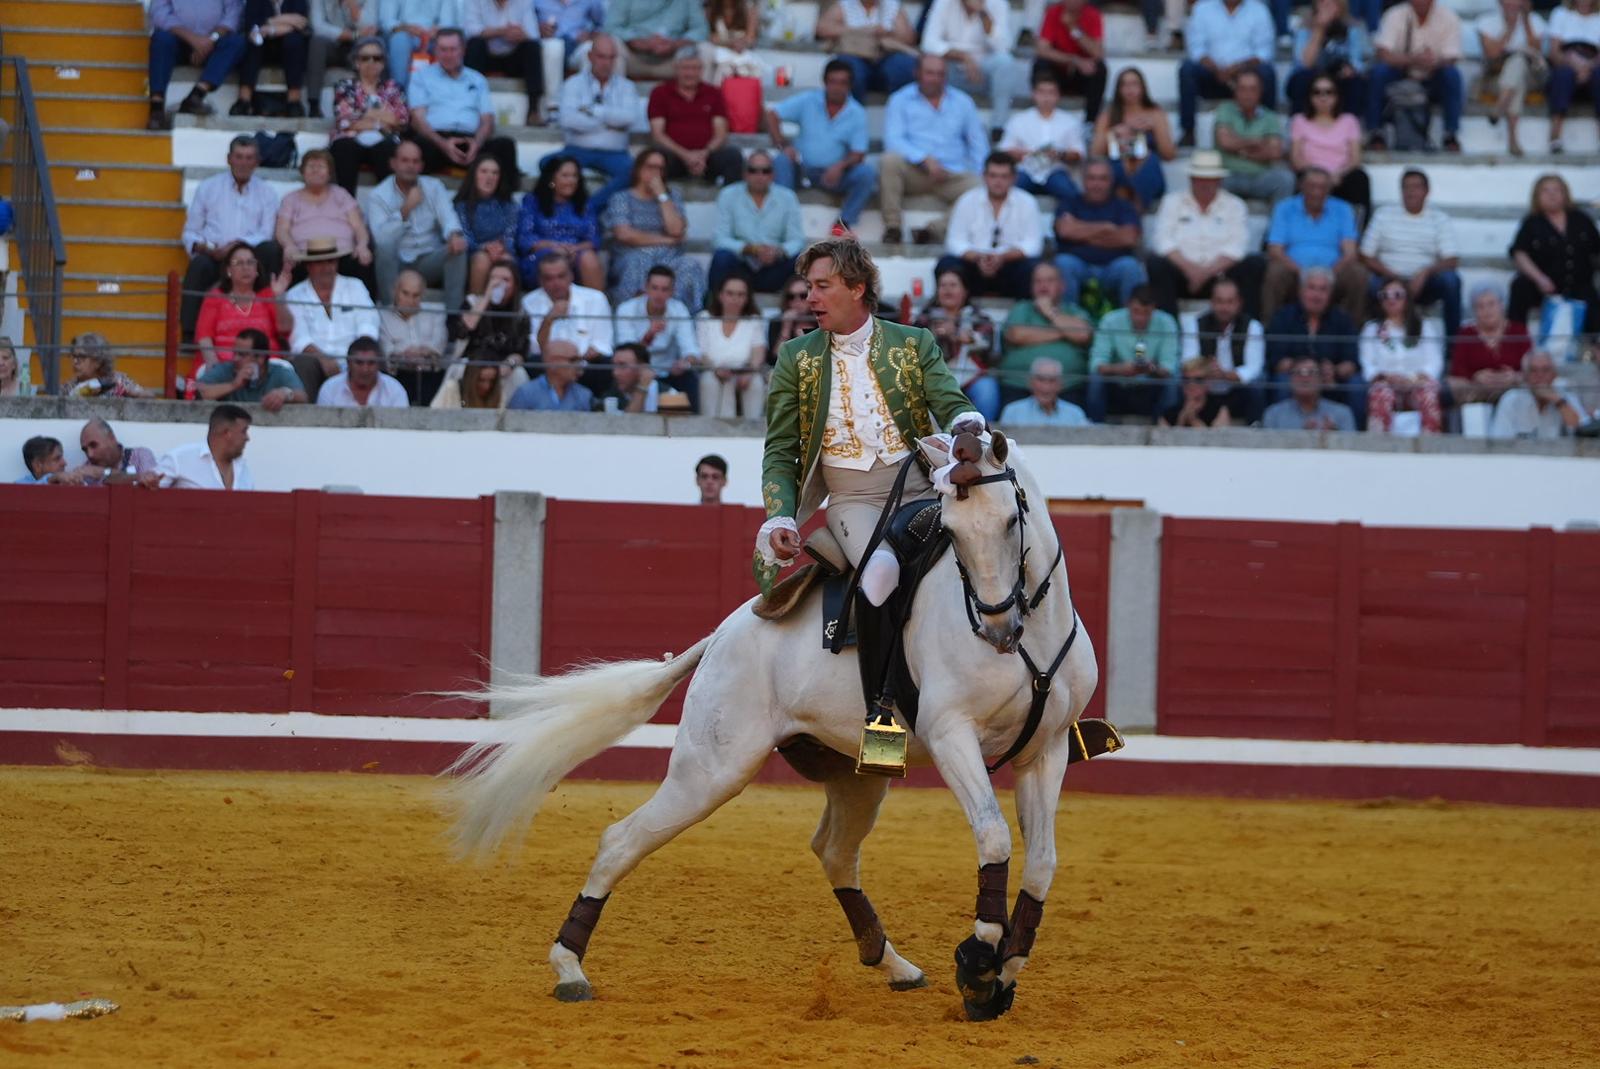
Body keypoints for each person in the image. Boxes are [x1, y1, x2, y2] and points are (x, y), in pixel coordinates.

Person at [755, 237, 984, 602]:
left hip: (924, 488)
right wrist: (780, 515)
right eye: (810, 287)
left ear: (857, 288)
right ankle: (877, 663)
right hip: (854, 499)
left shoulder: (913, 343)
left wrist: (964, 427)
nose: (810, 298)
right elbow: (781, 448)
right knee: (881, 574)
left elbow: (951, 402)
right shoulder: (795, 358)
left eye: (822, 287)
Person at [878, 54, 988, 246]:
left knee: (983, 187)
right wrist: (923, 159)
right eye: (930, 73)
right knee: (888, 161)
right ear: (917, 73)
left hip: (952, 174)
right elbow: (893, 140)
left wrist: (980, 172)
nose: (935, 79)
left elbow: (978, 143)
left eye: (940, 74)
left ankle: (932, 231)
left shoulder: (963, 102)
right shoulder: (900, 100)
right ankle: (893, 227)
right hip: (915, 171)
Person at [180, 136, 282, 337]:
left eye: (249, 158)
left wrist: (238, 246)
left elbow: (266, 232)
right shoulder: (208, 187)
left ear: (257, 161)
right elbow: (190, 232)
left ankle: (272, 324)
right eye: (239, 157)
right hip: (216, 257)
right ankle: (191, 334)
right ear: (229, 159)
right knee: (199, 264)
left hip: (252, 259)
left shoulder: (267, 192)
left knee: (271, 250)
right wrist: (207, 248)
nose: (243, 163)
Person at [1145, 150, 1264, 320]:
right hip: (1181, 274)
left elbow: (1238, 246)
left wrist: (1205, 273)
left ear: (1219, 180)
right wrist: (1191, 270)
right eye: (1200, 178)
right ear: (1191, 179)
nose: (1205, 184)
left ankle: (1247, 331)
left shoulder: (1235, 205)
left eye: (1210, 179)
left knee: (1254, 264)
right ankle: (1169, 330)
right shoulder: (1172, 202)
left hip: (1221, 275)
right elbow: (1163, 241)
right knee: (1156, 264)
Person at [766, 60, 877, 232]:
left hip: (833, 175)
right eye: (833, 82)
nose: (837, 87)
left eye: (842, 83)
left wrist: (840, 166)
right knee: (781, 161)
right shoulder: (808, 100)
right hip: (802, 169)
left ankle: (843, 224)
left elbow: (859, 154)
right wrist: (783, 145)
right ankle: (782, 219)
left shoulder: (857, 113)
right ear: (825, 82)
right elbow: (773, 114)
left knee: (867, 173)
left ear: (850, 85)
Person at [1360, 169, 1461, 354]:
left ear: (1427, 191)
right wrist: (1392, 277)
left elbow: (1452, 260)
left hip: (1424, 283)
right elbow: (1365, 256)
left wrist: (1425, 272)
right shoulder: (1383, 215)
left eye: (1416, 187)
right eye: (1406, 187)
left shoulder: (1439, 219)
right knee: (1368, 283)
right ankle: (1372, 347)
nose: (1411, 192)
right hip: (1388, 279)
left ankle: (1453, 350)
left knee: (1451, 280)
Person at [369, 137, 469, 317]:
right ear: (393, 163)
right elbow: (381, 239)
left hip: (427, 260)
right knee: (383, 249)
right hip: (396, 263)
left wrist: (454, 235)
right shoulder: (378, 195)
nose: (410, 166)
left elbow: (448, 218)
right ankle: (389, 314)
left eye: (415, 161)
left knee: (458, 247)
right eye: (405, 160)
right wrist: (406, 209)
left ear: (421, 166)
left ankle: (453, 319)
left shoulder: (434, 187)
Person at [409, 27, 520, 180]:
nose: (448, 55)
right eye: (443, 49)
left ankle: (504, 202)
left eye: (453, 49)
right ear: (435, 50)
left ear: (463, 50)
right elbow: (417, 120)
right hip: (436, 141)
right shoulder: (421, 77)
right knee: (415, 147)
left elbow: (487, 120)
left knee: (505, 146)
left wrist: (477, 143)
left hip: (471, 142)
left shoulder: (477, 79)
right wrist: (443, 144)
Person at [604, 148, 707, 310]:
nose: (655, 173)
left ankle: (682, 318)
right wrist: (667, 241)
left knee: (690, 265)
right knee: (640, 259)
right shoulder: (621, 198)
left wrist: (662, 196)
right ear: (638, 169)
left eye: (660, 168)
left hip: (668, 258)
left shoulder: (672, 197)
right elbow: (624, 234)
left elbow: (676, 230)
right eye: (650, 167)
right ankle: (632, 316)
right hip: (631, 257)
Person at [1262, 167, 1367, 323]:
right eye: (1312, 186)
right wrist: (1302, 273)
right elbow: (1275, 250)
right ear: (1301, 187)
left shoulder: (1343, 209)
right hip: (1294, 271)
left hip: (1333, 272)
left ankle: (1351, 333)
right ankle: (1271, 330)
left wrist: (1329, 274)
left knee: (1358, 274)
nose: (1317, 192)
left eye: (1322, 187)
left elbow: (1350, 252)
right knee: (1275, 272)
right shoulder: (1285, 208)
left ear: (1330, 189)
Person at [285, 236, 382, 398]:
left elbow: (368, 325)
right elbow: (299, 338)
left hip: (354, 357)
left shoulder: (355, 286)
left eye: (331, 262)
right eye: (320, 263)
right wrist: (323, 359)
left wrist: (355, 359)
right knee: (303, 362)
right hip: (315, 360)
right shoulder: (295, 294)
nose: (326, 268)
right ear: (309, 266)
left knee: (372, 358)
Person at [938, 153, 1044, 301]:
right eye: (993, 176)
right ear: (984, 176)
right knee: (947, 264)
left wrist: (1002, 257)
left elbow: (1033, 245)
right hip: (974, 266)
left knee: (1032, 268)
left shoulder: (1027, 202)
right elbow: (954, 241)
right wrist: (978, 257)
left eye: (1004, 176)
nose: (998, 182)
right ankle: (958, 315)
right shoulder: (967, 200)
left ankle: (1021, 317)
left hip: (1009, 267)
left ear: (1014, 178)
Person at [1365, 0, 1465, 153]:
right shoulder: (1395, 14)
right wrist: (1413, 59)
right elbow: (1383, 53)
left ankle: (1450, 133)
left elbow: (1451, 57)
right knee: (1378, 73)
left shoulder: (1449, 17)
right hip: (1400, 73)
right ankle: (1376, 132)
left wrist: (1433, 62)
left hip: (1433, 75)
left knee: (1452, 75)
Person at [552, 34, 640, 208]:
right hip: (577, 150)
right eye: (601, 56)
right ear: (590, 56)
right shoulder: (573, 84)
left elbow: (630, 118)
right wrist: (609, 122)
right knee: (547, 165)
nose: (606, 62)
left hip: (615, 152)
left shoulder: (627, 87)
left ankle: (587, 209)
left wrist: (592, 111)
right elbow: (568, 120)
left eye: (611, 57)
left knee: (634, 173)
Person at [1264, 265, 1364, 415]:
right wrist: (1309, 372)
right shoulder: (1283, 317)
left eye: (1323, 290)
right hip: (1295, 378)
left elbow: (1351, 362)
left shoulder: (1343, 319)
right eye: (1311, 288)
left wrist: (1334, 370)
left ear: (1330, 294)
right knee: (1280, 381)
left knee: (1356, 384)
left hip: (1331, 380)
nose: (1316, 295)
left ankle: (1356, 435)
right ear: (1301, 291)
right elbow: (1277, 361)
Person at [1508, 173, 1600, 336]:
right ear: (1537, 196)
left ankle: (1595, 348)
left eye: (1557, 190)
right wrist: (1539, 278)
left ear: (1565, 194)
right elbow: (1519, 252)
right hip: (1544, 287)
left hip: (1579, 285)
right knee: (1519, 286)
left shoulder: (1582, 220)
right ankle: (1516, 342)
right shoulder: (1532, 222)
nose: (1551, 194)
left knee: (1591, 301)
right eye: (1545, 190)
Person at [1178, 0, 1278, 147]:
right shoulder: (1202, 8)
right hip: (1211, 74)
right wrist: (1216, 69)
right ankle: (1188, 132)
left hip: (1245, 74)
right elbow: (1196, 48)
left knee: (1267, 73)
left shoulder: (1259, 10)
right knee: (1187, 69)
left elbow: (1264, 52)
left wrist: (1237, 69)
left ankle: (1270, 131)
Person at [274, 148, 376, 292]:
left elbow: (358, 226)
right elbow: (282, 229)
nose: (315, 170)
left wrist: (362, 245)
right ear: (302, 171)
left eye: (321, 167)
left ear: (329, 173)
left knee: (364, 258)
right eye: (311, 166)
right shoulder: (291, 199)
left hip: (342, 254)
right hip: (304, 255)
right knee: (287, 262)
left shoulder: (341, 195)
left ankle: (366, 308)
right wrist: (289, 245)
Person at [919, 0, 1029, 133]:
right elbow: (928, 42)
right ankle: (934, 121)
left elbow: (1003, 47)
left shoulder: (998, 3)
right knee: (931, 64)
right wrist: (964, 57)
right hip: (951, 63)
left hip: (983, 66)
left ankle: (998, 127)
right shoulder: (944, 2)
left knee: (1005, 63)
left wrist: (984, 14)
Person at [999, 260, 1093, 409]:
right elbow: (1016, 335)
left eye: (1049, 280)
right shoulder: (1021, 308)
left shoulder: (1075, 311)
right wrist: (1064, 332)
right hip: (1018, 384)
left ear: (1062, 286)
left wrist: (1049, 312)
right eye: (1038, 281)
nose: (1043, 286)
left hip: (1068, 387)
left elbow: (1082, 335)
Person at [1054, 158, 1146, 308]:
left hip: (1114, 267)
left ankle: (1129, 326)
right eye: (1092, 178)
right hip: (1078, 265)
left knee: (1130, 267)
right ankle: (1067, 321)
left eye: (1103, 179)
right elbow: (1065, 231)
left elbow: (1129, 238)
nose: (1097, 184)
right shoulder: (1069, 202)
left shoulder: (1124, 206)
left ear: (1111, 181)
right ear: (1083, 180)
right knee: (1063, 263)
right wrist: (1105, 228)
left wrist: (1081, 232)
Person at [710, 152, 806, 295]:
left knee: (801, 260)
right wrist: (751, 249)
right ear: (744, 173)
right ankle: (714, 309)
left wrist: (778, 251)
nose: (759, 175)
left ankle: (797, 309)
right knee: (722, 257)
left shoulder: (787, 197)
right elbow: (719, 239)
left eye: (765, 171)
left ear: (773, 174)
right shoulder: (728, 195)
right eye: (753, 170)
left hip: (775, 266)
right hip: (741, 268)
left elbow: (797, 239)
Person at [194, 240, 294, 373]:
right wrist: (213, 365)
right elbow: (204, 336)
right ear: (229, 270)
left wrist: (278, 298)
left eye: (250, 262)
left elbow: (285, 328)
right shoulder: (215, 296)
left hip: (265, 366)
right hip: (225, 365)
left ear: (257, 270)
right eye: (239, 263)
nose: (245, 267)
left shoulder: (268, 295)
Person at [647, 50, 743, 187]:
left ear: (702, 70)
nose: (690, 73)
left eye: (695, 68)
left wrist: (703, 154)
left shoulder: (713, 93)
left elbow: (721, 133)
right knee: (655, 157)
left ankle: (731, 204)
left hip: (707, 157)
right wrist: (686, 156)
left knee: (733, 156)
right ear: (676, 68)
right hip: (674, 157)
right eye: (685, 68)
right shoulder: (660, 93)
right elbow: (657, 135)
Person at [147, 0, 247, 129]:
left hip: (214, 41)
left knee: (237, 43)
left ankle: (197, 95)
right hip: (180, 40)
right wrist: (194, 40)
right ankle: (156, 108)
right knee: (161, 39)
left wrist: (210, 40)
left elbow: (234, 14)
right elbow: (159, 14)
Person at [915, 266, 999, 419]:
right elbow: (916, 351)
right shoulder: (924, 319)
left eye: (953, 285)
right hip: (935, 378)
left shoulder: (979, 318)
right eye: (943, 286)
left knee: (987, 389)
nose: (948, 290)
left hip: (971, 376)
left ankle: (987, 438)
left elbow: (990, 349)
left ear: (965, 291)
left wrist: (961, 336)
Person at [1085, 285, 1180, 421]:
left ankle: (1164, 425)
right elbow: (1096, 363)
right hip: (1118, 385)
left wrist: (1150, 368)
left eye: (1146, 312)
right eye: (1136, 311)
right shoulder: (1110, 321)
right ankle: (1095, 424)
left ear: (1154, 308)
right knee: (1095, 378)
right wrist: (1120, 368)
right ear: (1128, 305)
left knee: (1173, 380)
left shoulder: (1167, 322)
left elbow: (1169, 367)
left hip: (1150, 385)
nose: (1140, 318)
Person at [1360, 281, 1444, 433]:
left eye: (1397, 295)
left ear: (1407, 299)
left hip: (1418, 381)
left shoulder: (1424, 327)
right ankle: (1378, 447)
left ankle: (1431, 445)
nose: (1391, 299)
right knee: (1380, 394)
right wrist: (1387, 377)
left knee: (1428, 394)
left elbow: (1434, 362)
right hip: (1386, 381)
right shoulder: (1371, 329)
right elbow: (1367, 363)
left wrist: (1412, 379)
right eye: (1385, 295)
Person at [614, 265, 702, 408]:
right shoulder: (627, 309)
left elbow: (691, 350)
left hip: (669, 373)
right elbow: (625, 354)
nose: (659, 294)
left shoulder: (679, 310)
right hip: (636, 372)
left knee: (690, 378)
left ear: (672, 292)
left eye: (664, 289)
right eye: (654, 288)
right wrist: (649, 336)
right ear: (646, 288)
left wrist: (685, 362)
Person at [329, 35, 408, 192]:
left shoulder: (393, 88)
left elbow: (400, 120)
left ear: (383, 63)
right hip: (350, 141)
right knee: (344, 147)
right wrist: (381, 121)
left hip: (383, 143)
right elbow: (344, 121)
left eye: (377, 58)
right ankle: (347, 204)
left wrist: (361, 114)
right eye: (365, 58)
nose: (371, 62)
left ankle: (387, 207)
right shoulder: (345, 86)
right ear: (357, 62)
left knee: (388, 149)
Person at [1178, 276, 1264, 422]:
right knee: (1179, 382)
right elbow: (1188, 362)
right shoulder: (1195, 324)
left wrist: (1224, 374)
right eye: (1219, 301)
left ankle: (1255, 428)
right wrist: (1207, 371)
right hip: (1204, 388)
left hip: (1237, 390)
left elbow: (1253, 369)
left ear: (1239, 303)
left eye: (1230, 302)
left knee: (1258, 385)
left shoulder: (1252, 326)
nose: (1224, 307)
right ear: (1211, 302)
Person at [516, 155, 604, 292]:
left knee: (589, 258)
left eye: (575, 176)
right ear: (552, 178)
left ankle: (598, 309)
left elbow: (594, 239)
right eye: (565, 175)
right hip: (542, 254)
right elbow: (525, 239)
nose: (571, 181)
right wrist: (555, 247)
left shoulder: (584, 204)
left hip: (576, 254)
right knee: (555, 261)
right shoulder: (533, 201)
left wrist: (575, 248)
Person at [1090, 67, 1175, 210]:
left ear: (1142, 87)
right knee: (1116, 166)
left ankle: (1131, 213)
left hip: (1147, 172)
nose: (1130, 89)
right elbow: (1095, 153)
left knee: (1150, 159)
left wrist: (1155, 129)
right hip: (1118, 173)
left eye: (1134, 84)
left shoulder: (1155, 113)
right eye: (1125, 85)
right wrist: (1114, 132)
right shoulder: (1109, 115)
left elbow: (1169, 154)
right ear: (1118, 89)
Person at [1290, 71, 1370, 223]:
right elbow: (1296, 158)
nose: (1323, 97)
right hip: (1310, 174)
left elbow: (1355, 158)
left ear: (1337, 95)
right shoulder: (1299, 120)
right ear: (1309, 96)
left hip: (1341, 176)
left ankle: (1358, 230)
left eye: (1329, 92)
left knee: (1360, 178)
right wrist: (1319, 176)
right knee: (1298, 180)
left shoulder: (1349, 121)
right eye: (1317, 92)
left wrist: (1337, 174)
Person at [523, 249, 613, 374]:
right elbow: (535, 349)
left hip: (586, 367)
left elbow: (602, 344)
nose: (556, 283)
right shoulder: (529, 302)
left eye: (561, 276)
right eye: (549, 278)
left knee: (604, 364)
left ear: (571, 275)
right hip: (547, 368)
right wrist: (548, 320)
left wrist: (573, 363)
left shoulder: (596, 298)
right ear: (540, 280)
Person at [999, 77, 1084, 208]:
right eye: (1042, 92)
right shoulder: (1018, 120)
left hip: (1055, 170)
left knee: (1071, 194)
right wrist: (1027, 154)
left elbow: (1079, 154)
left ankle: (1067, 225)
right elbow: (1004, 151)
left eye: (1051, 92)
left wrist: (1059, 154)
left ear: (1058, 95)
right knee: (1006, 192)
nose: (1046, 97)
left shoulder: (1070, 122)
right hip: (1025, 169)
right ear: (1034, 94)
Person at [1213, 68, 1295, 204]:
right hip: (1229, 175)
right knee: (1209, 181)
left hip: (1260, 176)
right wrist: (1257, 142)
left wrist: (1240, 149)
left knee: (1285, 179)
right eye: (1242, 89)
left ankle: (1277, 224)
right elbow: (1226, 142)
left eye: (1252, 89)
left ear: (1260, 91)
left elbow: (1274, 152)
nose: (1247, 94)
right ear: (1235, 91)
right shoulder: (1225, 109)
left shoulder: (1270, 117)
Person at [1475, 0, 1546, 156]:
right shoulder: (1486, 21)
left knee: (1519, 62)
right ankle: (1513, 138)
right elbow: (1492, 54)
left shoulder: (1535, 20)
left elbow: (1537, 51)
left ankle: (1500, 107)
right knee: (1516, 73)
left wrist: (1525, 21)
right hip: (1496, 78)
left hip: (1532, 78)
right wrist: (1510, 28)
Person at [815, 0, 918, 104]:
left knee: (905, 66)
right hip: (855, 54)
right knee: (848, 67)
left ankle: (901, 111)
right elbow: (822, 29)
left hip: (886, 56)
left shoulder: (891, 5)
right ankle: (853, 113)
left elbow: (909, 38)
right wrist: (864, 31)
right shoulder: (845, 4)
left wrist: (888, 32)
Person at [695, 272, 767, 418]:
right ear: (720, 295)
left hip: (744, 369)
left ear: (747, 298)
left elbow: (758, 351)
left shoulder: (754, 319)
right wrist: (715, 369)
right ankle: (716, 432)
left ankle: (754, 432)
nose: (735, 299)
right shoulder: (704, 318)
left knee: (756, 382)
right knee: (709, 380)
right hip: (713, 370)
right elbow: (701, 353)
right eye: (730, 293)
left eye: (741, 294)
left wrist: (751, 371)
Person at [1449, 285, 1529, 406]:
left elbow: (1531, 365)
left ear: (1501, 305)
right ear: (1474, 311)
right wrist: (1475, 377)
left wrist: (1515, 377)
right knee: (1455, 385)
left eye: (1491, 304)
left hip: (1513, 388)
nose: (1487, 310)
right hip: (1477, 391)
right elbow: (1457, 370)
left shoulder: (1518, 330)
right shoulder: (1466, 333)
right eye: (1480, 306)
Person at [452, 258, 533, 378]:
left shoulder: (521, 314)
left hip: (502, 367)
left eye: (505, 280)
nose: (498, 283)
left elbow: (521, 352)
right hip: (471, 362)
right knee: (459, 369)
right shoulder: (472, 302)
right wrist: (487, 297)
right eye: (493, 278)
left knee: (519, 374)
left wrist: (509, 364)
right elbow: (463, 330)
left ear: (515, 285)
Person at [1287, 0, 1369, 117]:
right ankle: (1300, 126)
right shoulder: (1304, 28)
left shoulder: (1353, 28)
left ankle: (1350, 126)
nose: (1327, 7)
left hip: (1340, 78)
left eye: (1332, 3)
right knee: (1301, 78)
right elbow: (1304, 63)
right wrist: (1319, 29)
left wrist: (1350, 69)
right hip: (1312, 76)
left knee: (1355, 82)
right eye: (1323, 3)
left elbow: (1358, 63)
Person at [464, 0, 544, 118]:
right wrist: (501, 32)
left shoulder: (524, 2)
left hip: (514, 57)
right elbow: (470, 31)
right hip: (485, 57)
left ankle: (533, 110)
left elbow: (533, 35)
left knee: (532, 47)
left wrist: (520, 34)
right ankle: (470, 105)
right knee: (475, 44)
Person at [381, 268, 451, 402]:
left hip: (430, 376)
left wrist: (410, 353)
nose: (410, 300)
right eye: (405, 293)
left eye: (416, 295)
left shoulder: (436, 312)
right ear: (395, 291)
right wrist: (420, 352)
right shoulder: (382, 316)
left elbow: (438, 347)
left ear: (423, 294)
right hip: (398, 376)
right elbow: (387, 353)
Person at [1032, 0, 1108, 123]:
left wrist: (1074, 29)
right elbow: (1042, 50)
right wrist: (1073, 60)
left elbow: (1098, 53)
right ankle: (1040, 115)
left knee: (1099, 69)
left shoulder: (1093, 14)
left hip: (1082, 75)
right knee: (1040, 64)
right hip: (1059, 72)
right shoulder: (1053, 12)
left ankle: (1090, 123)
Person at [195, 328, 310, 408]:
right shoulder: (225, 369)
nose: (235, 359)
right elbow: (200, 391)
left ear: (260, 357)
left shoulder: (279, 371)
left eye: (242, 355)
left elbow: (303, 397)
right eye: (235, 353)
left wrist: (285, 393)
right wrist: (233, 385)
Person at [454, 153, 519, 296]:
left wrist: (500, 248)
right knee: (482, 260)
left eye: (495, 173)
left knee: (508, 261)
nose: (489, 177)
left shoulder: (510, 206)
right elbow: (464, 236)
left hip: (502, 251)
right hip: (472, 255)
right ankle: (474, 309)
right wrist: (484, 247)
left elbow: (511, 235)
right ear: (474, 175)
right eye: (484, 171)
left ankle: (508, 314)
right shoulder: (461, 206)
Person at [1490, 349, 1592, 437]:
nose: (1540, 375)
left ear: (1554, 374)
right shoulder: (1511, 399)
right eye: (1533, 370)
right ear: (1525, 376)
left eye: (1545, 370)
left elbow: (1583, 432)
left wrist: (1558, 402)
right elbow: (1500, 441)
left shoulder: (1566, 397)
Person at [236, 0, 311, 117]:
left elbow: (301, 23)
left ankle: (294, 101)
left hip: (288, 47)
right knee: (253, 43)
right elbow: (251, 24)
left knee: (294, 41)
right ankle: (243, 100)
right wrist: (286, 20)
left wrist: (271, 28)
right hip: (264, 49)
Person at [156, 404, 256, 491]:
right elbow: (148, 492)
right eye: (243, 431)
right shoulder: (179, 458)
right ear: (227, 433)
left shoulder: (241, 467)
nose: (247, 438)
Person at [1546, 0, 1600, 154]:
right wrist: (1574, 64)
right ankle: (1555, 135)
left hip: (1594, 67)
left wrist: (1588, 67)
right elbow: (1554, 52)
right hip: (1567, 63)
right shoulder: (1560, 13)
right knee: (1562, 75)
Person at [308, 0, 377, 119]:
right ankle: (313, 104)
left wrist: (353, 6)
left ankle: (370, 105)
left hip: (356, 46)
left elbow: (370, 27)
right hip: (331, 44)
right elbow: (318, 26)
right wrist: (352, 35)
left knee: (372, 48)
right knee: (316, 43)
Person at [605, 0, 707, 81]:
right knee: (609, 46)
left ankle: (701, 103)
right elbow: (610, 26)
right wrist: (637, 42)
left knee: (706, 50)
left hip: (673, 57)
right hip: (634, 54)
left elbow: (701, 30)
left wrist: (675, 44)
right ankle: (612, 98)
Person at [1261, 354, 1358, 430]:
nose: (1305, 379)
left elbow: (1353, 450)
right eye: (1298, 373)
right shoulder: (1274, 414)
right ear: (1290, 380)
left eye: (1311, 373)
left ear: (1321, 379)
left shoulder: (1342, 414)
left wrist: (1334, 437)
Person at [379, 0, 455, 89]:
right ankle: (399, 90)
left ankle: (443, 91)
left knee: (447, 42)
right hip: (404, 32)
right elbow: (387, 20)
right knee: (399, 40)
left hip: (433, 36)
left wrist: (437, 30)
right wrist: (406, 28)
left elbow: (448, 22)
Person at [318, 335, 411, 406]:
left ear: (379, 364)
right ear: (348, 363)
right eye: (359, 363)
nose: (365, 369)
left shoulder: (395, 390)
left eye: (371, 363)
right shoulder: (329, 389)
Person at [998, 357, 1091, 427]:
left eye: (1052, 380)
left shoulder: (1075, 414)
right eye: (1041, 379)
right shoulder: (1012, 412)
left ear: (1060, 385)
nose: (1046, 387)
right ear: (1031, 382)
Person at [509, 338, 595, 410]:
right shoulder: (526, 394)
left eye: (579, 360)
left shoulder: (584, 396)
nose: (578, 365)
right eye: (573, 360)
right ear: (553, 362)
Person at [62, 333, 156, 399]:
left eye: (81, 357)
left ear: (98, 361)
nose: (75, 361)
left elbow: (150, 396)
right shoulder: (70, 387)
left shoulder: (119, 380)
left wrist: (133, 394)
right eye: (74, 356)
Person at [73, 418, 162, 486]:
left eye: (94, 445)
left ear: (112, 438)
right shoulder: (85, 470)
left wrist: (104, 472)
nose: (90, 454)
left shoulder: (140, 455)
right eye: (85, 450)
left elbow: (151, 481)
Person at [1160, 358, 1235, 427]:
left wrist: (1192, 419)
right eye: (1186, 379)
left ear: (1208, 382)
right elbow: (1165, 439)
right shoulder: (1169, 413)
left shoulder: (1220, 410)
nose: (1191, 384)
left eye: (1198, 380)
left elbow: (1218, 439)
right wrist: (1182, 419)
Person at [431, 347, 513, 408]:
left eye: (492, 381)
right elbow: (433, 417)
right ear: (471, 377)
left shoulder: (499, 394)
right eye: (481, 380)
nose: (486, 386)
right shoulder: (451, 388)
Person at [599, 342, 660, 412]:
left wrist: (642, 386)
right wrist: (641, 390)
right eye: (614, 365)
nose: (615, 373)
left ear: (643, 368)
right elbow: (626, 422)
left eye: (622, 366)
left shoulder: (667, 393)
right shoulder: (610, 395)